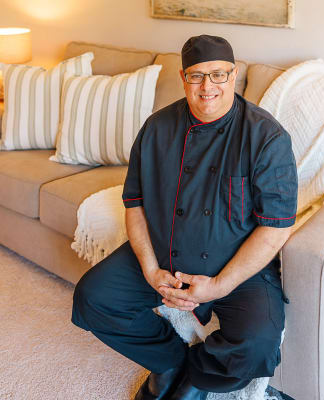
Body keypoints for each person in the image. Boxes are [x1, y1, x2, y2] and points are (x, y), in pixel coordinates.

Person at [71, 34, 298, 400]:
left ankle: (198, 377)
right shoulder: (157, 128)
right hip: (165, 253)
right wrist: (149, 268)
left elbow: (276, 226)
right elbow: (135, 203)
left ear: (234, 75)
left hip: (238, 265)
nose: (207, 86)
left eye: (218, 74)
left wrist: (221, 285)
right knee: (93, 298)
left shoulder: (266, 136)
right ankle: (168, 361)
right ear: (183, 78)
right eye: (196, 75)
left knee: (258, 343)